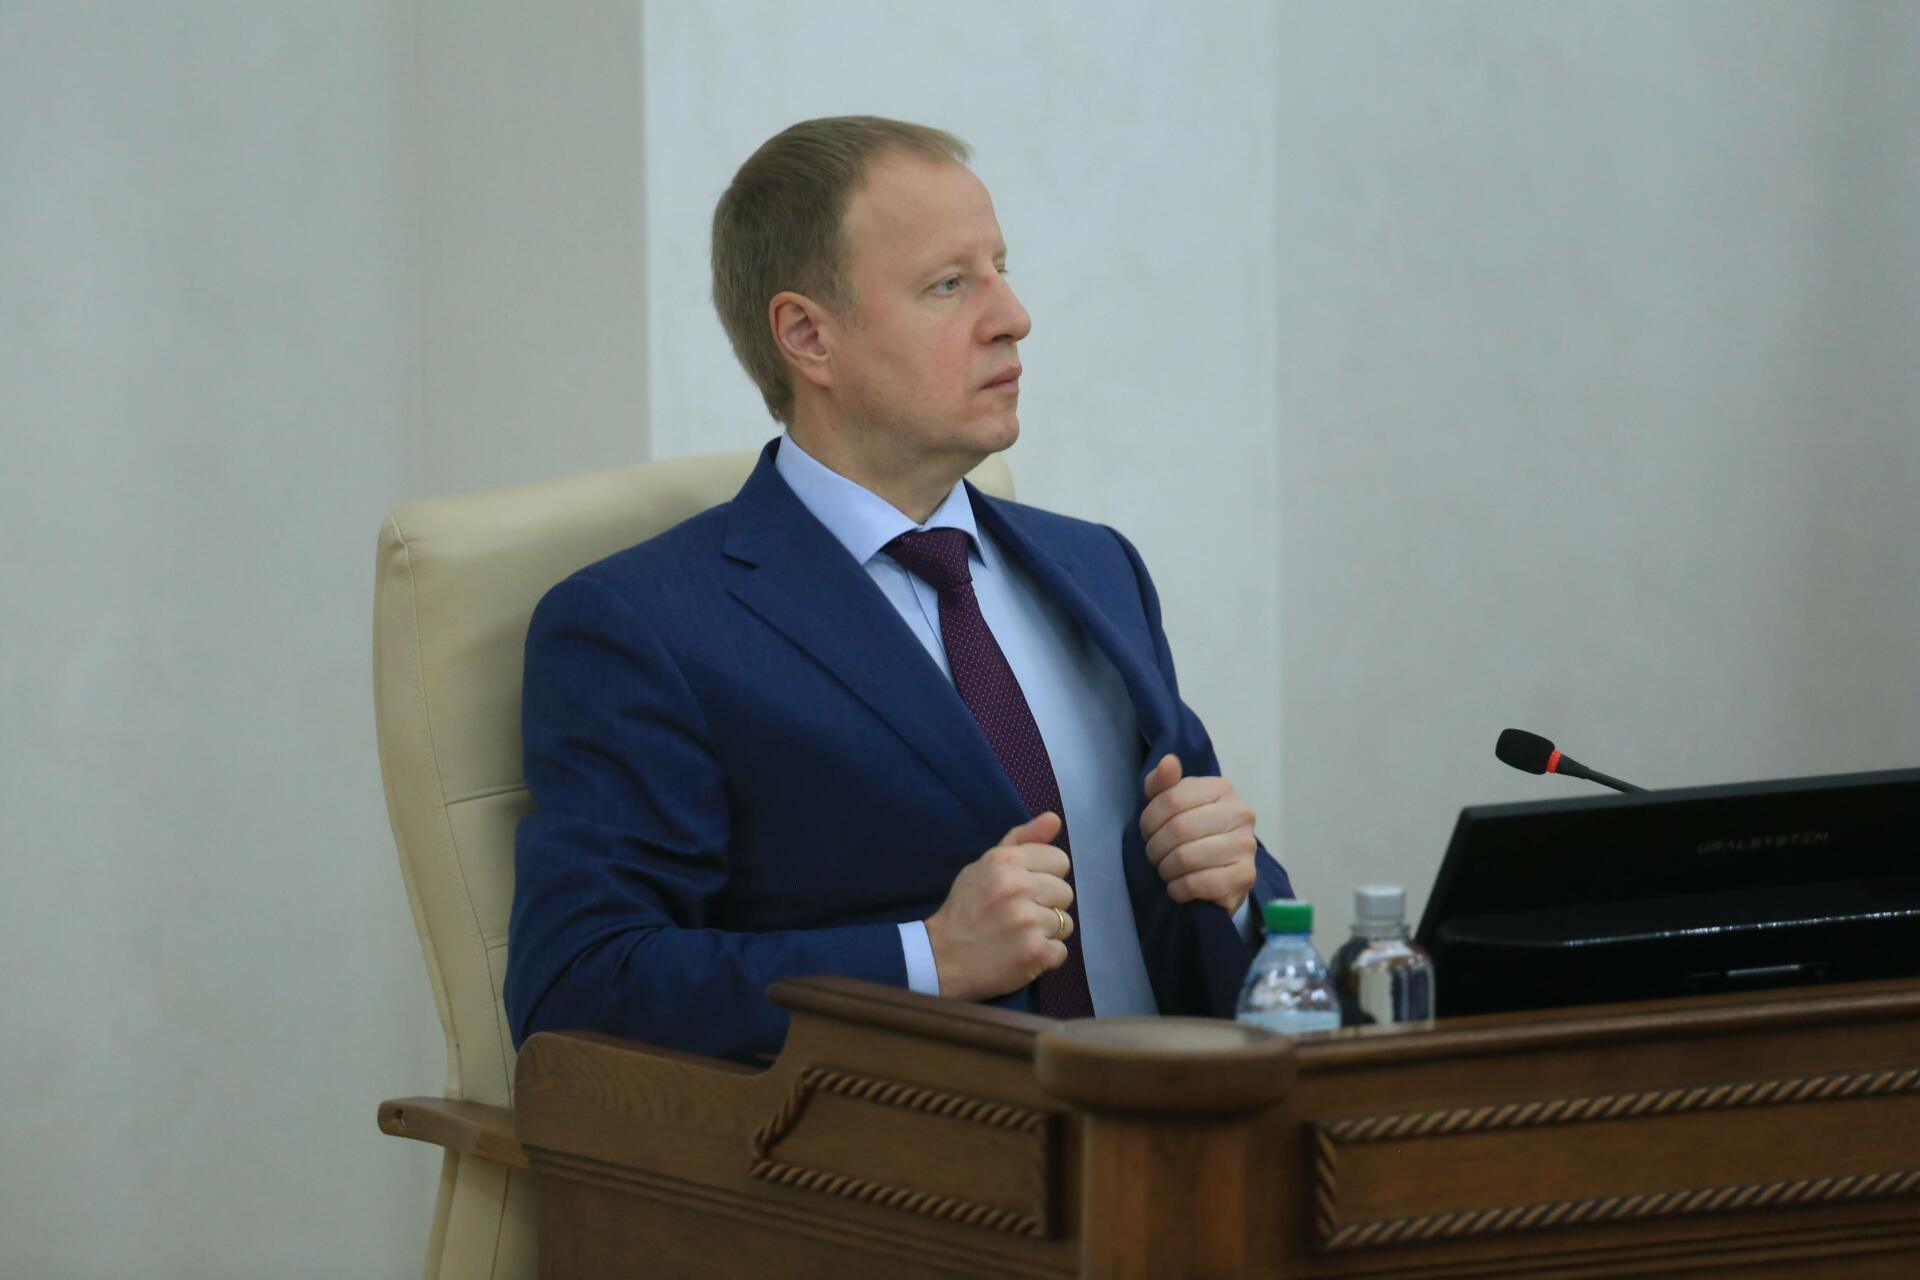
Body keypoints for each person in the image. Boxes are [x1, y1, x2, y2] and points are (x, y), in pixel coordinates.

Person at [504, 116, 1291, 1064]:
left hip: (1190, 1119)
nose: (1013, 316)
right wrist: (928, 959)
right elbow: (578, 982)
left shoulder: (1100, 568)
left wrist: (1235, 896)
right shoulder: (642, 626)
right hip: (922, 1144)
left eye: (1001, 268)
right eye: (949, 284)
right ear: (808, 336)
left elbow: (1213, 898)